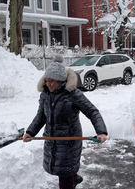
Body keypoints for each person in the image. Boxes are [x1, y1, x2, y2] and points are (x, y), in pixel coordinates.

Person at [23, 54, 108, 189]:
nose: (48, 84)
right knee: (61, 168)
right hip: (52, 140)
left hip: (69, 141)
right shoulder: (45, 95)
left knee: (65, 174)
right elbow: (41, 116)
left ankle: (71, 179)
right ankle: (74, 177)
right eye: (46, 80)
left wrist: (101, 131)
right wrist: (30, 132)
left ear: (61, 80)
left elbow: (92, 112)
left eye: (52, 81)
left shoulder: (73, 94)